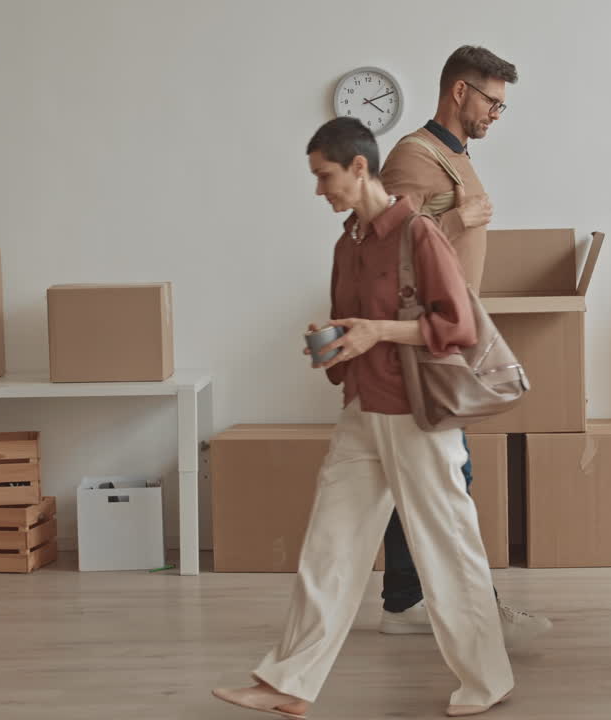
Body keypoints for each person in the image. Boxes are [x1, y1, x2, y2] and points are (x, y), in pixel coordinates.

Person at [213, 117, 513, 719]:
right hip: (361, 409)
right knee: (329, 548)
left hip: (418, 416)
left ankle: (487, 681)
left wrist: (377, 330)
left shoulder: (418, 234)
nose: (319, 190)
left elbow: (457, 328)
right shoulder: (346, 244)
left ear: (358, 167)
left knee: (448, 549)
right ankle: (289, 682)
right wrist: (330, 341)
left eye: (325, 176)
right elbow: (353, 326)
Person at [377, 45, 551, 645]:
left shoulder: (454, 157)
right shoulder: (412, 158)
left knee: (433, 475)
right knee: (450, 475)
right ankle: (454, 607)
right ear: (459, 92)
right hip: (425, 347)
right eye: (492, 102)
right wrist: (461, 220)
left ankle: (407, 601)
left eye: (503, 106)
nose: (497, 115)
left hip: (451, 340)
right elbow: (387, 254)